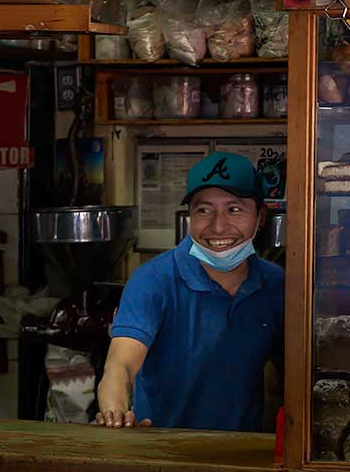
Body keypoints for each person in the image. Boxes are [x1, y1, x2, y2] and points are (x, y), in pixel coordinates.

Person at [95, 151, 284, 432]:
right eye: (204, 210)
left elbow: (294, 374)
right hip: (162, 454)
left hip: (247, 455)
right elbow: (119, 365)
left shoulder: (276, 283)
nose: (218, 226)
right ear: (189, 216)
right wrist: (116, 414)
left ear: (261, 216)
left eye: (235, 209)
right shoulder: (154, 279)